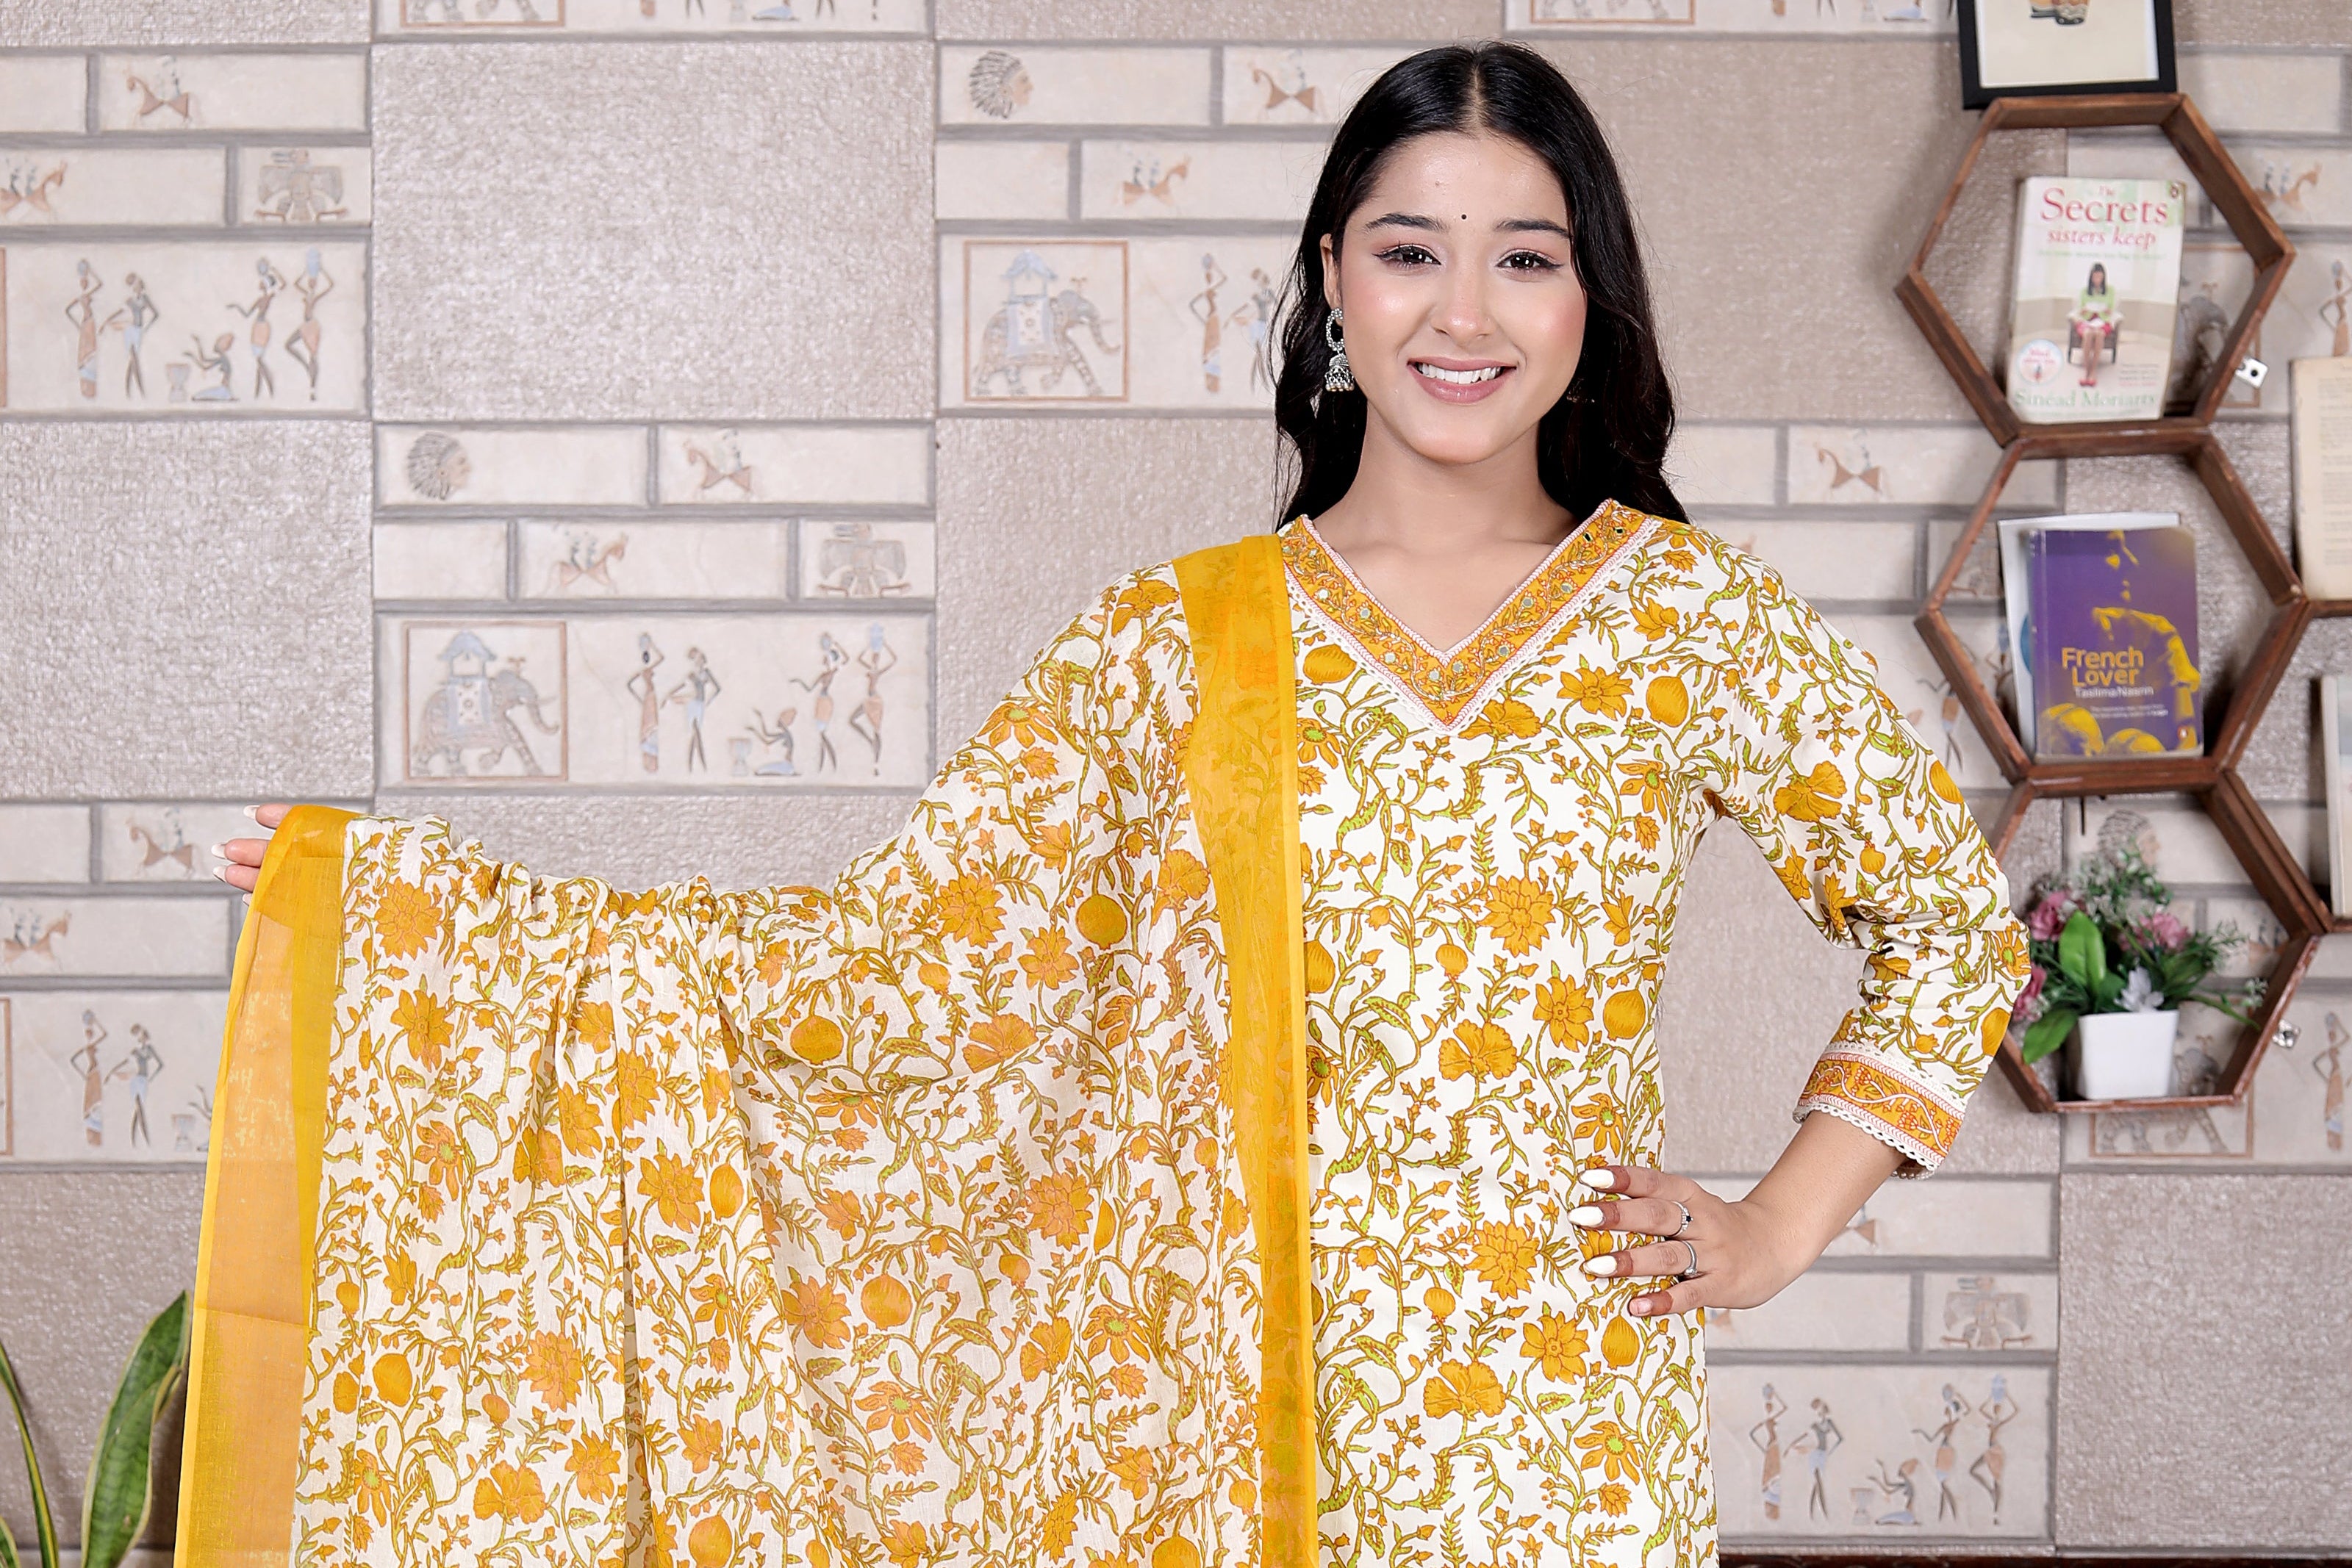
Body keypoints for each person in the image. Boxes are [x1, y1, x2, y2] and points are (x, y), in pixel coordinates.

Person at [206, 43, 2025, 1568]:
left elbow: (1955, 930)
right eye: (1411, 250)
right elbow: (878, 973)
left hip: (1567, 1433)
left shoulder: (1684, 615)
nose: (1463, 312)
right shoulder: (1179, 639)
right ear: (1332, 279)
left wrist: (1779, 1221)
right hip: (1204, 1431)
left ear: (1587, 299)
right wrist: (409, 915)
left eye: (1525, 259)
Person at [2072, 262, 2120, 387]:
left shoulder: (2110, 291)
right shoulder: (2084, 291)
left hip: (2103, 320)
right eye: (2095, 277)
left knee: (2099, 334)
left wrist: (2106, 310)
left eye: (2100, 277)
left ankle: (2093, 371)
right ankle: (2086, 370)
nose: (2097, 280)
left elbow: (2111, 309)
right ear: (2091, 277)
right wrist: (2084, 310)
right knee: (2088, 334)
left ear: (2104, 277)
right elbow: (2080, 310)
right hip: (2087, 320)